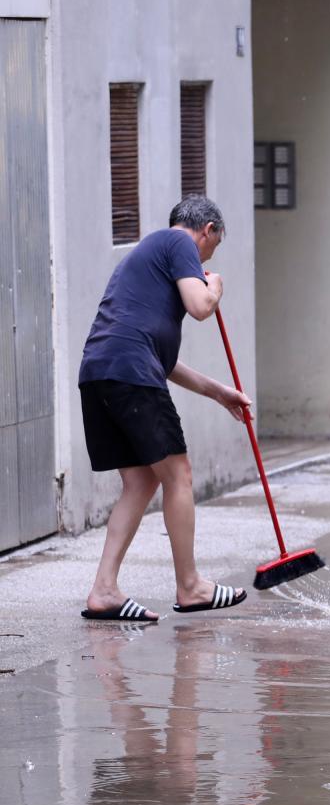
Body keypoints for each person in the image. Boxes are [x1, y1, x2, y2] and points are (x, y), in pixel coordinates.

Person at [79, 195, 253, 623]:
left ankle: (104, 591)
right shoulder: (178, 243)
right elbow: (200, 308)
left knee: (140, 481)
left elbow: (162, 361)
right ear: (207, 230)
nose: (207, 258)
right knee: (178, 475)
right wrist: (216, 286)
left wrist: (218, 391)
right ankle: (190, 586)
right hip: (130, 372)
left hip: (101, 371)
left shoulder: (147, 263)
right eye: (213, 247)